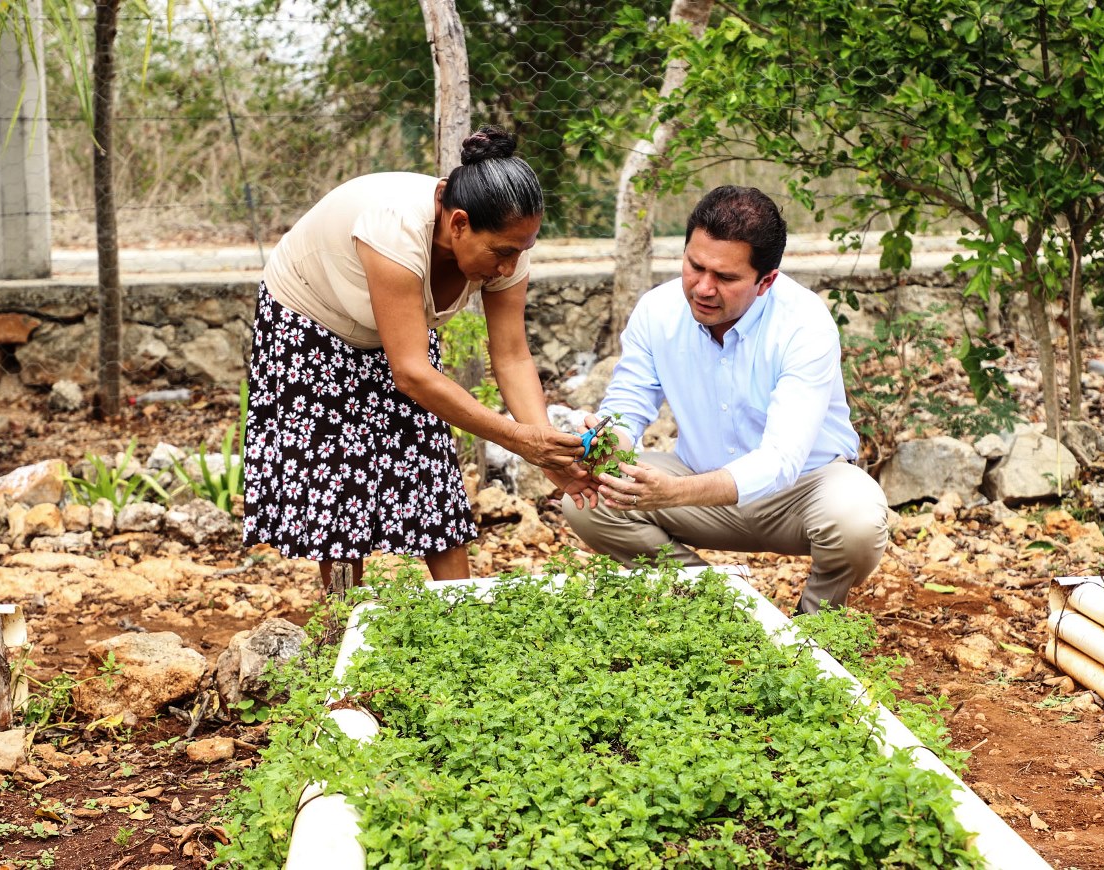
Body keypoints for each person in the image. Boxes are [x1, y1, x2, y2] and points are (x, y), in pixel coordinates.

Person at [243, 126, 593, 590]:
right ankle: (340, 629)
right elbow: (410, 373)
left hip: (395, 331)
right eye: (503, 252)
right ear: (459, 224)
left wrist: (545, 449)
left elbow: (511, 355)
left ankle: (460, 615)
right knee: (338, 489)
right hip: (311, 324)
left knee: (431, 473)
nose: (510, 267)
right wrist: (516, 438)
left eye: (522, 250)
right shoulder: (394, 228)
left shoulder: (507, 246)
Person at [563, 186, 889, 614]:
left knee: (857, 519)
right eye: (694, 266)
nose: (703, 287)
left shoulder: (805, 323)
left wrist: (675, 492)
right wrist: (609, 443)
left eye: (727, 278)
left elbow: (780, 460)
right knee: (589, 501)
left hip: (798, 496)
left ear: (766, 281)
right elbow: (627, 406)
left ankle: (816, 628)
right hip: (700, 488)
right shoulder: (656, 311)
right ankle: (718, 608)